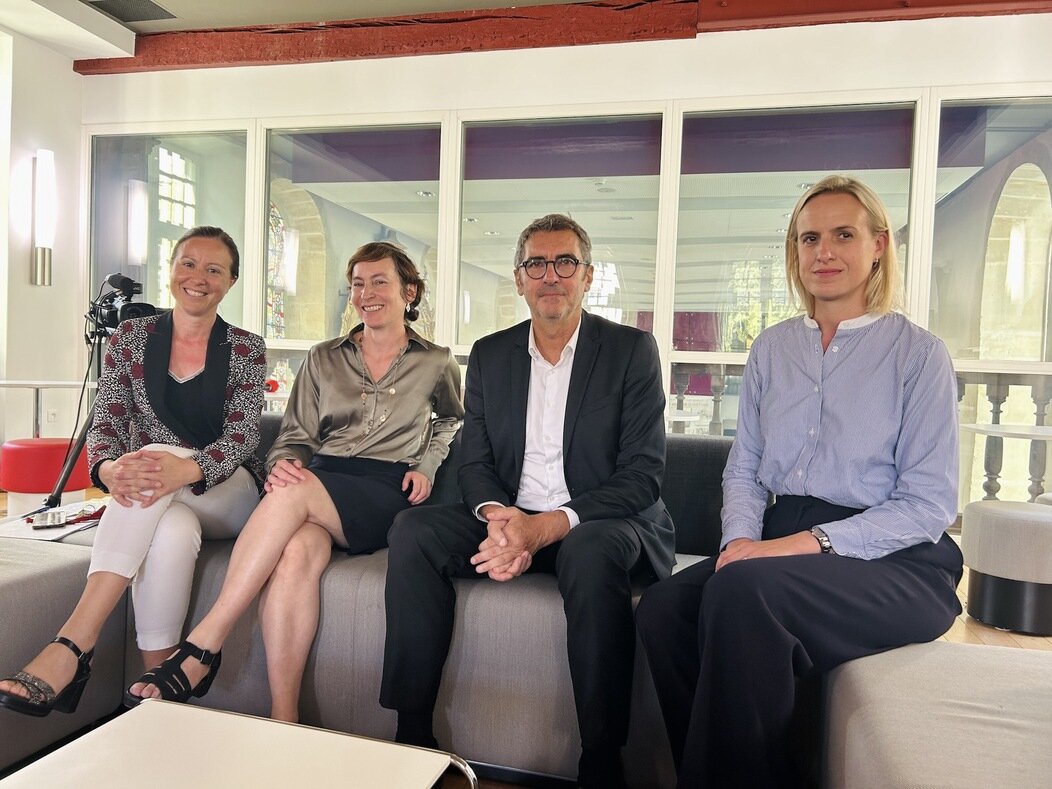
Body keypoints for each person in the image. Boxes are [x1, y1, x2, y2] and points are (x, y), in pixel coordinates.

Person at [635, 175, 964, 789]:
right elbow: (746, 469)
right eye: (809, 238)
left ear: (879, 245)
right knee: (663, 609)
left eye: (844, 234)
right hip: (779, 538)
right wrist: (737, 543)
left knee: (740, 595)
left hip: (896, 559)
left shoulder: (919, 356)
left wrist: (778, 551)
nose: (824, 252)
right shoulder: (771, 349)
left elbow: (926, 505)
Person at [379, 214, 673, 788]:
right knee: (413, 532)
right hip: (513, 519)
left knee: (589, 551)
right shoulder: (491, 355)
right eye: (536, 264)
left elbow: (644, 476)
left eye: (565, 263)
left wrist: (546, 527)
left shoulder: (631, 351)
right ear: (519, 279)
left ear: (587, 277)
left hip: (602, 521)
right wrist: (498, 519)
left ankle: (601, 758)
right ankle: (412, 734)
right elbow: (476, 461)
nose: (551, 276)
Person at [125, 241, 464, 721]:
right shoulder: (324, 357)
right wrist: (284, 460)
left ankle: (204, 645)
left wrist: (426, 465)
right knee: (296, 554)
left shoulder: (437, 361)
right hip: (322, 480)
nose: (366, 293)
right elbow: (295, 435)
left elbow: (453, 420)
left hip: (385, 487)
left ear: (409, 292)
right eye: (358, 285)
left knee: (292, 490)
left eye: (380, 282)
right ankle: (285, 718)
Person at [0, 226, 266, 717]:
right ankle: (157, 690)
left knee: (156, 459)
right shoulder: (131, 338)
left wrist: (185, 468)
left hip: (229, 492)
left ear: (230, 282)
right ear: (171, 270)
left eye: (214, 269)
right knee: (170, 529)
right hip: (156, 494)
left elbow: (243, 436)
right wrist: (105, 467)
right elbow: (108, 419)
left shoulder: (246, 348)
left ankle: (75, 642)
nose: (198, 278)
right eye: (188, 264)